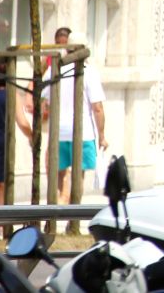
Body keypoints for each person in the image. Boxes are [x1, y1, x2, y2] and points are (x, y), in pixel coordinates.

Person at [40, 29, 106, 204]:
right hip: (82, 132)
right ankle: (73, 210)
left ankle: (59, 204)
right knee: (79, 176)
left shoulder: (54, 69)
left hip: (58, 131)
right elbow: (97, 108)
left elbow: (42, 99)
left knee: (59, 174)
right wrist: (102, 136)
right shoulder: (89, 72)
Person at [0, 57, 32, 205]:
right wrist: (32, 137)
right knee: (1, 184)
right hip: (2, 143)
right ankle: (0, 217)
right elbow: (22, 122)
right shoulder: (11, 94)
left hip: (2, 142)